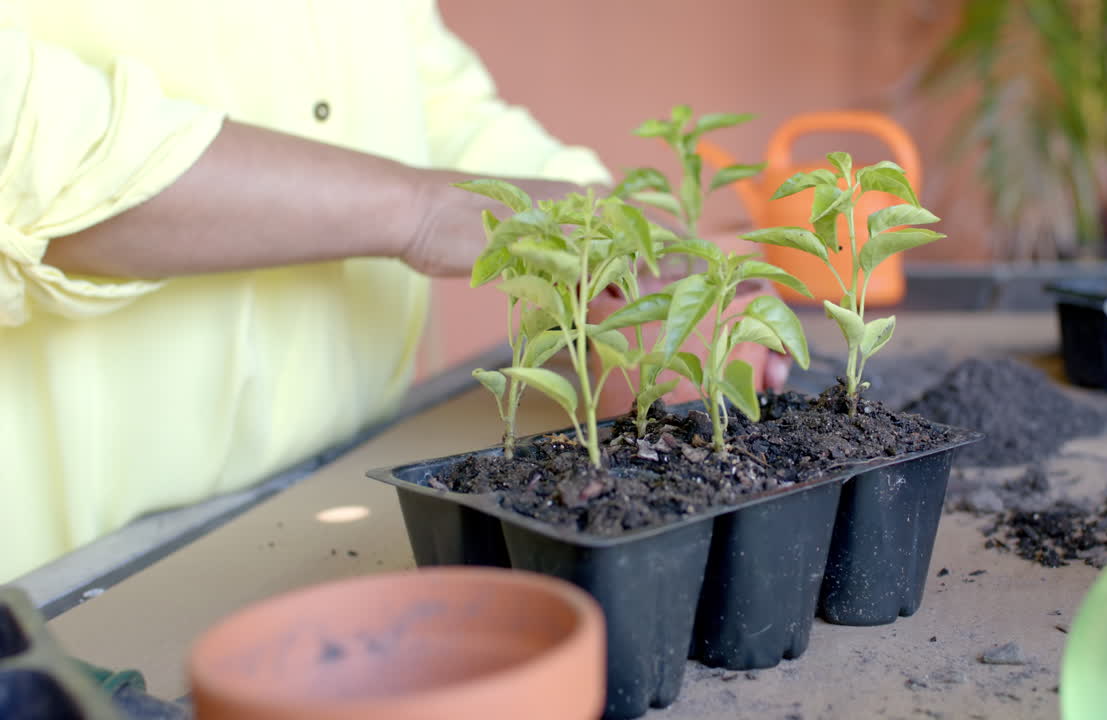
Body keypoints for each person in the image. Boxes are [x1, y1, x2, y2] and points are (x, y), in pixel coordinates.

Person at [0, 0, 790, 583]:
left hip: (357, 492)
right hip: (68, 576)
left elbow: (437, 104)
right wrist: (421, 210)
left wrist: (620, 242)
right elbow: (31, 144)